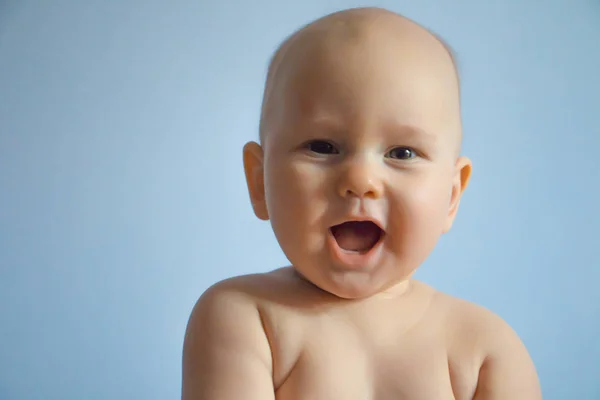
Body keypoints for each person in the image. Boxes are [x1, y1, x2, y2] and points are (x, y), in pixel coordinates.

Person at [182, 7, 541, 400]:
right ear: (259, 182)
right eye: (322, 147)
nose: (361, 180)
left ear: (452, 195)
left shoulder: (485, 349)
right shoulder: (246, 318)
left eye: (402, 152)